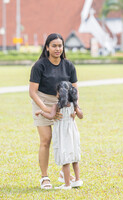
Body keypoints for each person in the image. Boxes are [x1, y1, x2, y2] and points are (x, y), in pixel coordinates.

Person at [29, 33, 79, 190]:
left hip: (63, 104)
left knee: (65, 139)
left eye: (60, 46)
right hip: (42, 101)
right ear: (47, 47)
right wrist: (44, 108)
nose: (57, 49)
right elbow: (32, 92)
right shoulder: (39, 65)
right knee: (46, 140)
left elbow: (74, 89)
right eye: (54, 46)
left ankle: (63, 173)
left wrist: (75, 108)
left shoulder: (69, 65)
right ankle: (44, 177)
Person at [35, 81, 83, 190]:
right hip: (72, 133)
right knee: (74, 156)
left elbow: (51, 116)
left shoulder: (57, 106)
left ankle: (67, 185)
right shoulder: (73, 104)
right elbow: (81, 116)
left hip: (63, 134)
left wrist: (41, 112)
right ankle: (77, 180)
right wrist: (76, 112)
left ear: (60, 93)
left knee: (65, 158)